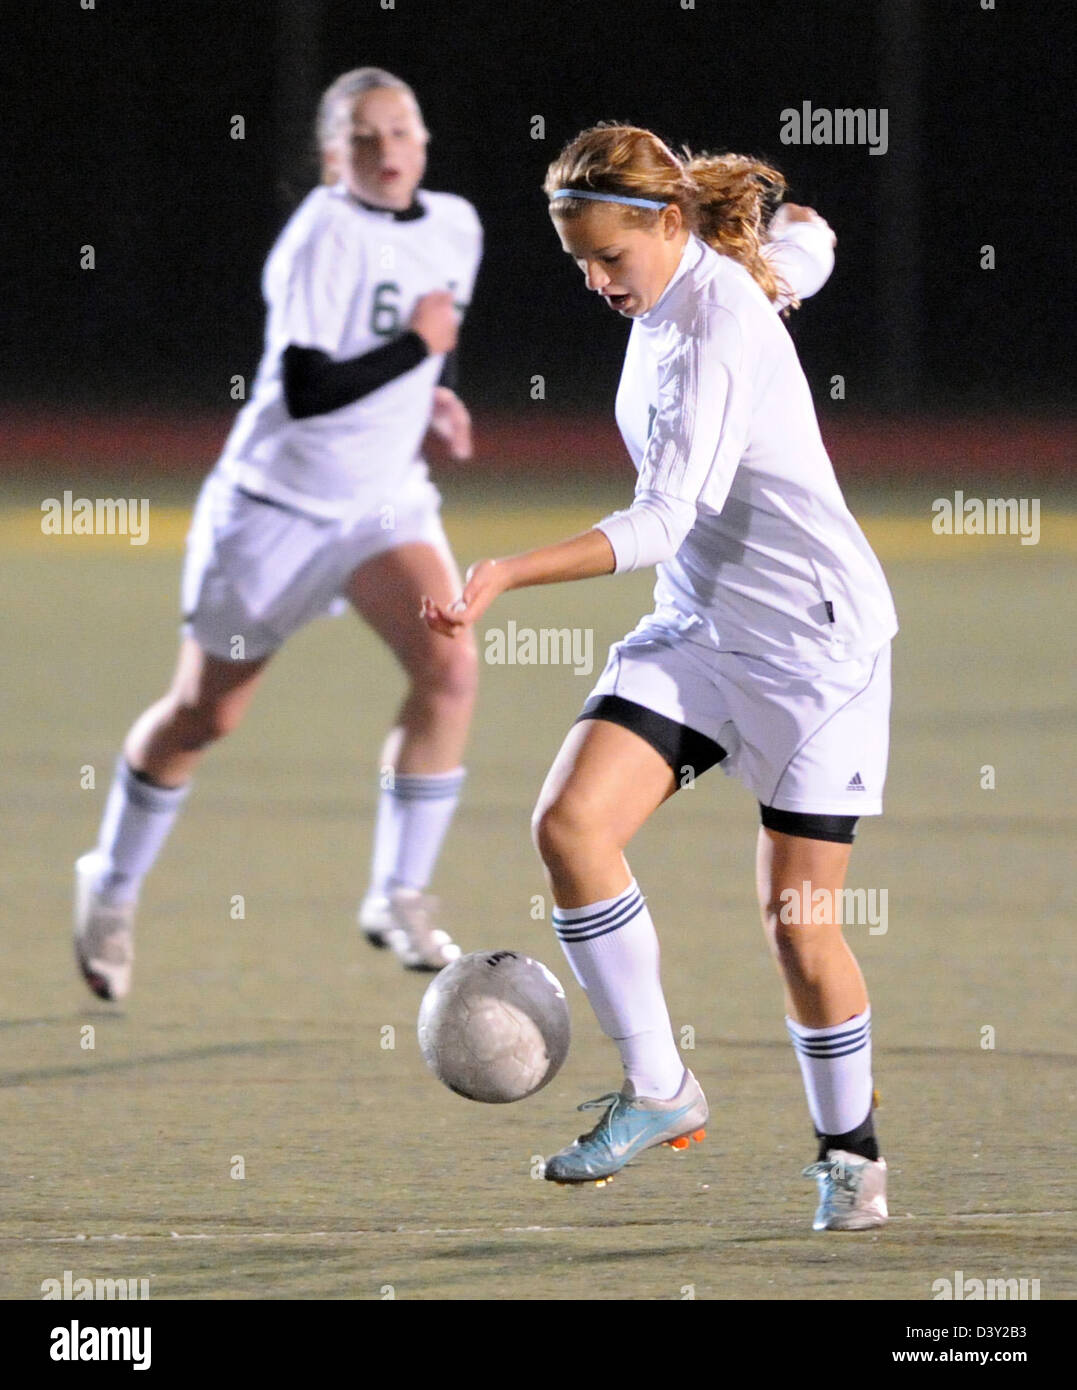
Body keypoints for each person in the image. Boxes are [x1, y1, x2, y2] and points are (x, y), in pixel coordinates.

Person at [423, 123, 898, 1232]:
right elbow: (787, 266)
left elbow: (662, 517)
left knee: (798, 926)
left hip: (812, 650)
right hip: (698, 629)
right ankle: (659, 1089)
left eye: (610, 261)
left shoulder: (715, 323)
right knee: (572, 826)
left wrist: (504, 573)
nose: (595, 283)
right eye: (579, 263)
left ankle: (850, 1157)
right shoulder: (695, 280)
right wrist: (807, 241)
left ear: (668, 225)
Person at [74, 67, 483, 994]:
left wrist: (433, 395)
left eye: (401, 130)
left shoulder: (458, 224)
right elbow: (307, 387)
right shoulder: (322, 235)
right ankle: (112, 881)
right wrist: (419, 352)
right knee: (204, 715)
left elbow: (413, 346)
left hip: (382, 504)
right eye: (363, 137)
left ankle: (398, 893)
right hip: (274, 510)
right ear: (333, 153)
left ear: (424, 139)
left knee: (449, 664)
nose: (387, 151)